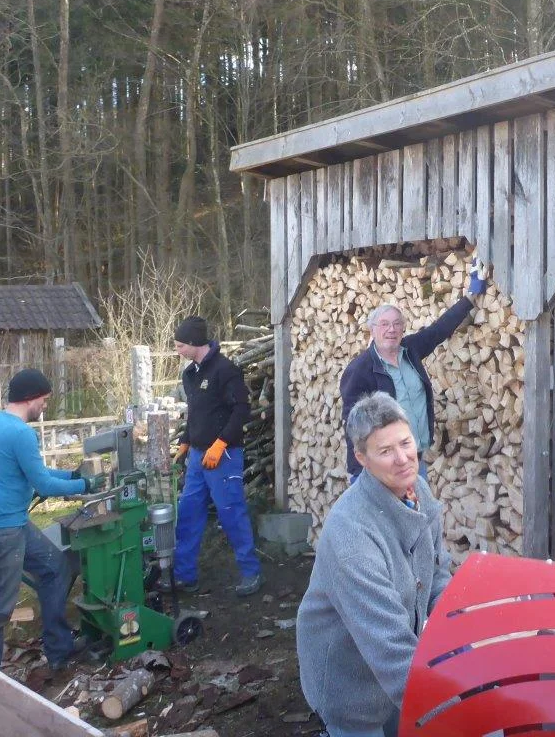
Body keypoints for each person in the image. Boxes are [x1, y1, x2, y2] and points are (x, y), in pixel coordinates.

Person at [297, 392, 452, 737]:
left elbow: (438, 574)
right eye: (385, 451)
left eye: (406, 443)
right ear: (362, 458)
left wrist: (453, 637)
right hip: (349, 682)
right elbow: (388, 644)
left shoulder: (419, 492)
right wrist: (459, 711)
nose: (402, 459)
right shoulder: (351, 535)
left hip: (399, 673)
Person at [0, 368, 97, 670]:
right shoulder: (20, 433)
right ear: (31, 398)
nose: (45, 406)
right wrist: (86, 486)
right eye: (44, 399)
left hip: (11, 524)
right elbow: (44, 485)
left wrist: (72, 475)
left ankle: (60, 650)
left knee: (55, 568)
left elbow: (35, 472)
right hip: (1, 530)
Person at [339, 255, 488, 482]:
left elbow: (439, 330)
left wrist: (471, 296)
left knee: (416, 516)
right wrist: (361, 471)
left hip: (412, 461)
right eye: (385, 324)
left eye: (397, 324)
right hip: (378, 470)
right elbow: (353, 424)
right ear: (372, 330)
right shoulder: (361, 370)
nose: (392, 330)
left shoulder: (410, 350)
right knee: (382, 519)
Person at [172, 315, 263, 596]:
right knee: (188, 512)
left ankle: (251, 573)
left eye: (179, 346)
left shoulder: (226, 370)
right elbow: (197, 413)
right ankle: (184, 575)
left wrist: (220, 443)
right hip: (198, 458)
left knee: (231, 513)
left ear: (194, 343)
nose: (177, 351)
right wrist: (186, 442)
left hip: (223, 457)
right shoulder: (191, 374)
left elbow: (241, 410)